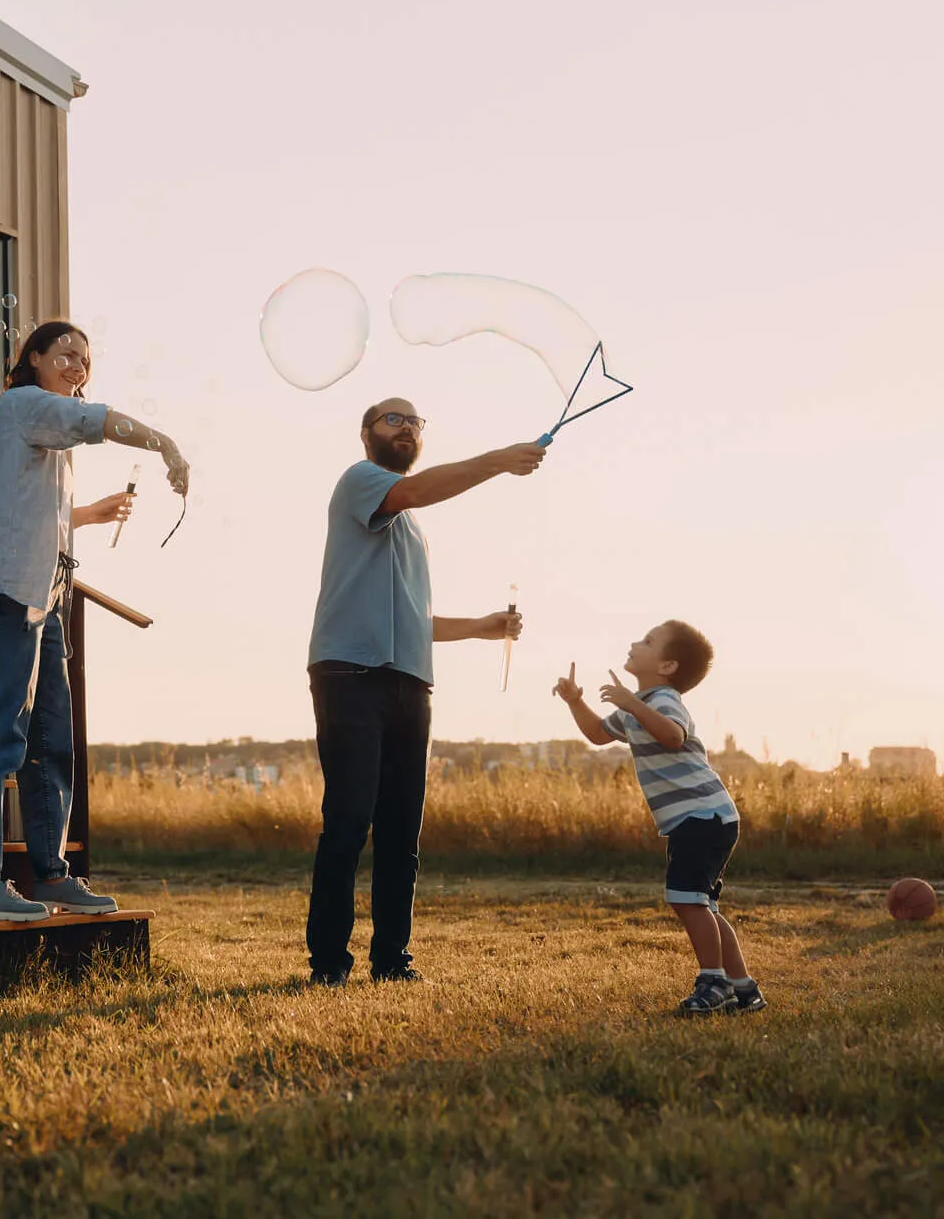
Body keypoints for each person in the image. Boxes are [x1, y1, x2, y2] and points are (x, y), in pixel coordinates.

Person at [0, 321, 190, 922]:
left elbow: (28, 514)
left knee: (51, 743)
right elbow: (96, 421)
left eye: (85, 360)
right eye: (65, 355)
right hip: (7, 596)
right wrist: (164, 443)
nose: (78, 367)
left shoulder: (39, 429)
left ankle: (51, 875)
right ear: (33, 359)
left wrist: (89, 513)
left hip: (45, 599)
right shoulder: (22, 404)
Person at [304, 398, 545, 985]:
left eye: (415, 421)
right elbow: (419, 490)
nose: (407, 426)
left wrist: (482, 628)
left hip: (410, 681)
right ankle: (330, 963)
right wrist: (497, 461)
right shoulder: (362, 481)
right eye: (393, 418)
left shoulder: (412, 528)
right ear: (366, 435)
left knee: (400, 831)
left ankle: (392, 959)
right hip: (351, 674)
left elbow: (415, 618)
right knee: (349, 821)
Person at [553, 622, 765, 1014]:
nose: (634, 642)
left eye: (648, 641)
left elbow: (673, 736)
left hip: (702, 816)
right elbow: (599, 734)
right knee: (702, 904)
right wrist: (574, 702)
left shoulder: (663, 700)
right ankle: (744, 988)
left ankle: (713, 981)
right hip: (704, 817)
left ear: (667, 666)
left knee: (686, 900)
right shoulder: (640, 705)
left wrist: (631, 703)